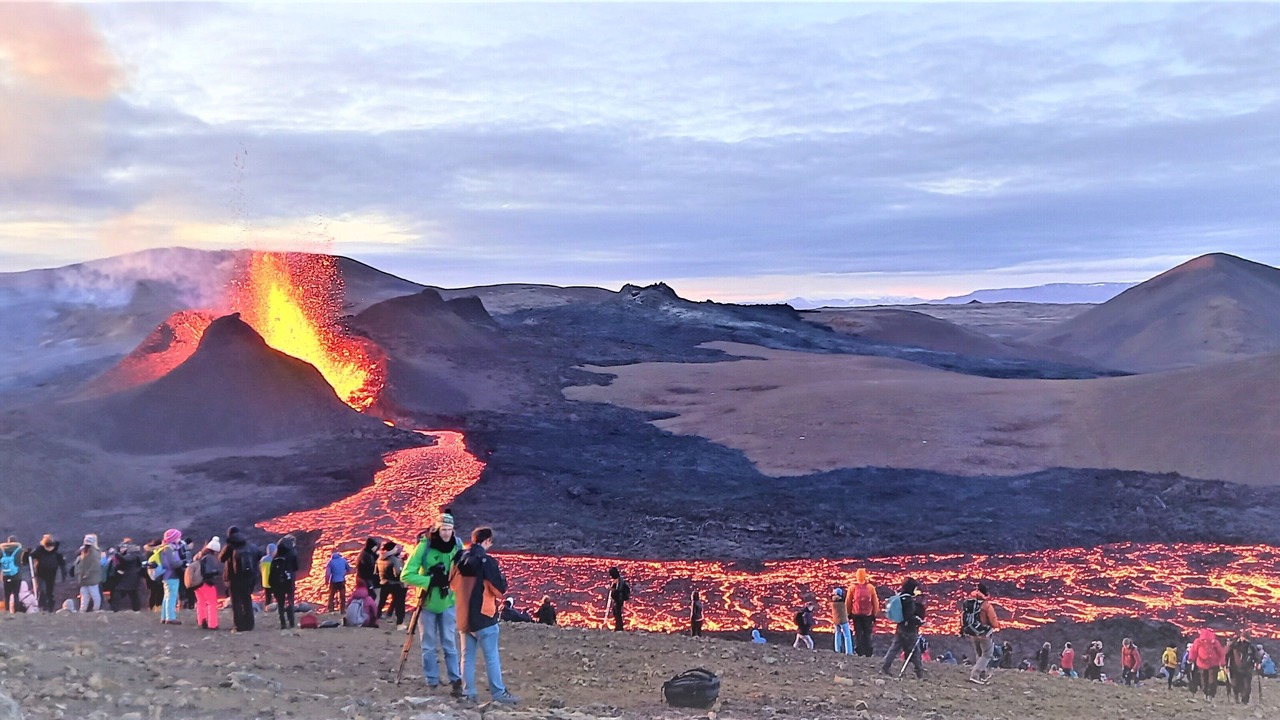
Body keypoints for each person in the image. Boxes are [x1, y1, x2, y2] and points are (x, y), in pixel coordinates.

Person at [451, 526, 519, 705]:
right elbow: (499, 590)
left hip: (463, 615)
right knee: (491, 657)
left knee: (467, 656)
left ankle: (469, 693)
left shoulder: (459, 558)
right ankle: (499, 693)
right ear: (487, 540)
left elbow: (451, 584)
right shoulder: (486, 561)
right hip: (484, 615)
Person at [402, 510, 464, 695]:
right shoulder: (425, 546)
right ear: (437, 528)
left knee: (449, 642)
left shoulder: (457, 545)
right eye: (443, 529)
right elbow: (406, 574)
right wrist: (430, 581)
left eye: (449, 529)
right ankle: (432, 681)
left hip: (448, 601)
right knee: (428, 643)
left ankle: (456, 680)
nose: (446, 533)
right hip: (427, 602)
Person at [879, 578, 926, 680]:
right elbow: (909, 616)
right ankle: (919, 673)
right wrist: (919, 621)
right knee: (915, 651)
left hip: (900, 627)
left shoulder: (901, 596)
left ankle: (885, 667)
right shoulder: (908, 600)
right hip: (909, 630)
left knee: (894, 648)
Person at [219, 525, 259, 632]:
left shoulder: (230, 546)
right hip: (248, 578)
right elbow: (258, 555)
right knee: (247, 600)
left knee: (236, 602)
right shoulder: (250, 546)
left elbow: (221, 558)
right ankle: (249, 625)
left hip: (234, 579)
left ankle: (239, 625)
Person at [961, 583, 1000, 685]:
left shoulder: (968, 602)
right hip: (983, 633)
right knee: (987, 654)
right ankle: (975, 675)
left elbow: (963, 617)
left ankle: (982, 674)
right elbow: (993, 620)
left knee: (979, 653)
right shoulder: (985, 605)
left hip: (972, 632)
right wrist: (995, 626)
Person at [29, 534, 66, 613]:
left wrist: (64, 575)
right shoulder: (39, 551)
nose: (49, 549)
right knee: (42, 591)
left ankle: (50, 609)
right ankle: (42, 607)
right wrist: (26, 553)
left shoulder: (57, 553)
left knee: (50, 592)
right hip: (40, 575)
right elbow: (28, 558)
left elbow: (62, 564)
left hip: (51, 575)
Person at [848, 568, 880, 657]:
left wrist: (849, 613)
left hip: (856, 614)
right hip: (868, 614)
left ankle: (859, 651)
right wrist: (874, 614)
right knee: (867, 633)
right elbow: (875, 602)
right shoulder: (870, 587)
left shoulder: (852, 587)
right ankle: (868, 652)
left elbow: (848, 601)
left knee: (858, 633)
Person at [269, 534, 299, 630]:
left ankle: (283, 623)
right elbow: (296, 567)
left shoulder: (276, 554)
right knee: (290, 600)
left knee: (280, 602)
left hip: (278, 581)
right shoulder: (293, 553)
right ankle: (291, 621)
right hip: (289, 580)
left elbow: (272, 570)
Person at [192, 537, 223, 630]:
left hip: (197, 583)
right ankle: (212, 624)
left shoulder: (199, 555)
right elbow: (209, 571)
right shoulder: (209, 558)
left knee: (200, 602)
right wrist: (217, 572)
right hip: (206, 582)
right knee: (212, 602)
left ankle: (201, 621)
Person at [158, 528, 185, 624]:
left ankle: (164, 617)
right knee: (172, 596)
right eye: (178, 537)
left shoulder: (165, 547)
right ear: (173, 538)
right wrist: (182, 562)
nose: (180, 539)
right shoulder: (169, 548)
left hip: (166, 575)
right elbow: (172, 563)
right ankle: (170, 618)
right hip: (171, 575)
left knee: (167, 596)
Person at [376, 541, 407, 625]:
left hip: (383, 582)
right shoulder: (394, 559)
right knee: (399, 603)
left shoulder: (379, 558)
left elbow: (376, 571)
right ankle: (400, 622)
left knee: (382, 601)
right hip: (395, 584)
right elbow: (398, 572)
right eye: (396, 548)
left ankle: (376, 617)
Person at [1189, 629, 1225, 700]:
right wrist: (1191, 659)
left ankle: (1211, 694)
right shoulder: (1198, 642)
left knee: (1212, 681)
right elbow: (1193, 651)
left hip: (1213, 665)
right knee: (1204, 680)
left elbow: (1221, 653)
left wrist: (1222, 662)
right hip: (1202, 664)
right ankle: (1205, 693)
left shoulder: (1215, 643)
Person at [110, 539, 144, 612]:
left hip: (130, 577)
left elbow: (125, 560)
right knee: (133, 594)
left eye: (123, 548)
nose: (121, 549)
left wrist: (115, 553)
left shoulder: (133, 555)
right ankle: (136, 609)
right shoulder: (136, 554)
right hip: (132, 577)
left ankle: (115, 609)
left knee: (119, 592)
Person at [72, 534, 103, 612]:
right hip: (84, 578)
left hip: (90, 578)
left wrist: (87, 574)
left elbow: (95, 565)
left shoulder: (94, 552)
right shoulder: (83, 552)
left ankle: (96, 609)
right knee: (84, 594)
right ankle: (83, 609)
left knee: (93, 593)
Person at [1225, 633, 1258, 704]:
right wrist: (1226, 665)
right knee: (1235, 685)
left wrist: (1257, 662)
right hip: (1235, 668)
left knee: (1247, 686)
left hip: (1247, 669)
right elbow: (1227, 654)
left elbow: (1255, 656)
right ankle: (1237, 697)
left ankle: (1245, 700)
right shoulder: (1234, 646)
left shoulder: (1251, 647)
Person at [0, 536, 24, 612]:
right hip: (17, 576)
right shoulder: (19, 550)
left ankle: (7, 610)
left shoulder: (2, 550)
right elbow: (23, 562)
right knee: (16, 594)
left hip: (5, 575)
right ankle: (16, 611)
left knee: (7, 595)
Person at [606, 566, 630, 631]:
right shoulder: (616, 580)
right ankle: (618, 627)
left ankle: (619, 628)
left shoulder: (620, 581)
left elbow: (618, 590)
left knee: (618, 613)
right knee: (616, 613)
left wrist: (611, 589)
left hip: (619, 599)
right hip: (617, 599)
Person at [831, 587, 852, 654]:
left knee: (837, 634)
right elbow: (847, 598)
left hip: (836, 620)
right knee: (847, 636)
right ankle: (849, 651)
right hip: (843, 620)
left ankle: (837, 650)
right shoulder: (842, 601)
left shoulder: (832, 601)